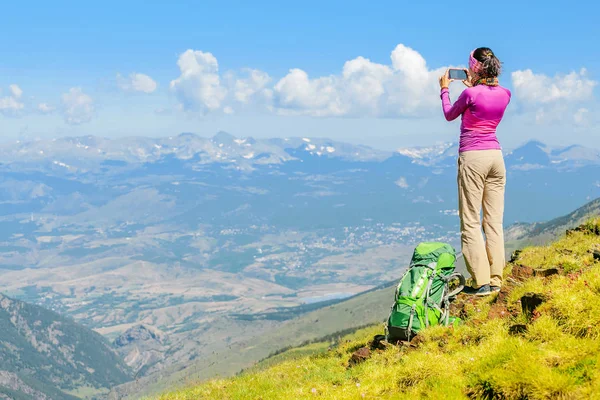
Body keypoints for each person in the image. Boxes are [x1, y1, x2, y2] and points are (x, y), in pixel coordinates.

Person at [438, 47, 511, 296]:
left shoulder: (469, 93)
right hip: (496, 157)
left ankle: (480, 282)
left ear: (474, 67)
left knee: (470, 220)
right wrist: (476, 84)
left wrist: (444, 89)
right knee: (493, 222)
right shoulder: (505, 94)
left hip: (473, 157)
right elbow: (487, 95)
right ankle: (496, 279)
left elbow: (450, 114)